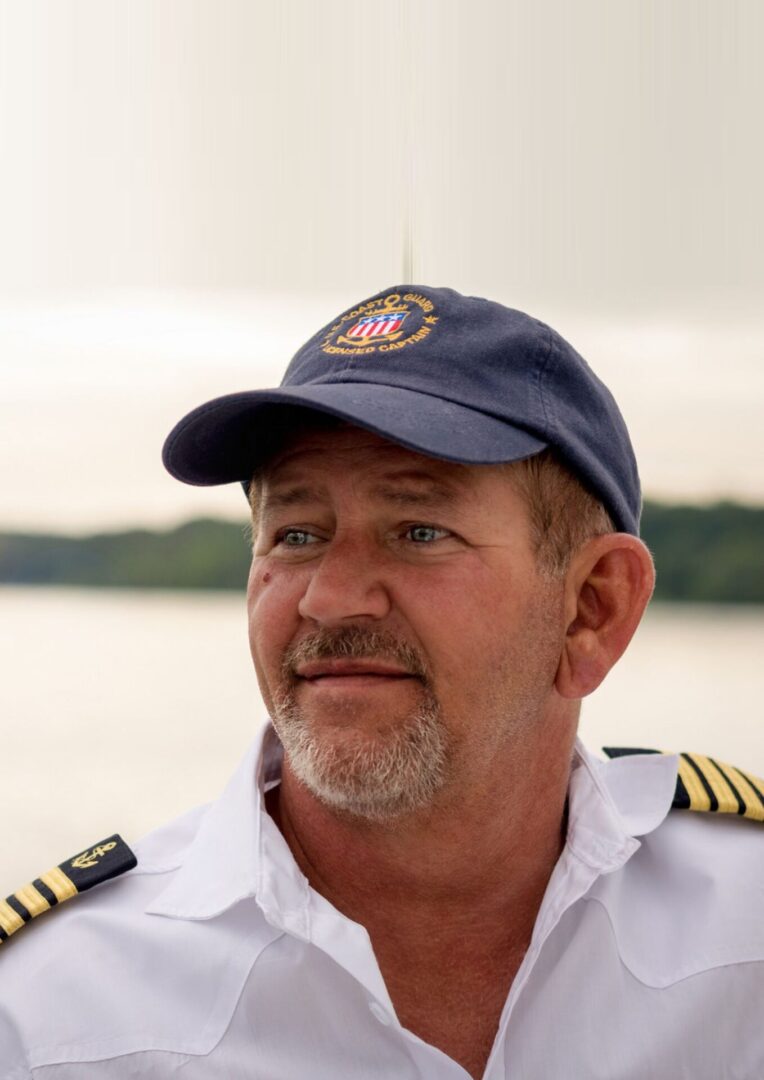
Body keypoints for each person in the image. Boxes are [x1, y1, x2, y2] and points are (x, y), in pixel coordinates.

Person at [1, 285, 763, 1079]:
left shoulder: (748, 934)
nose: (329, 599)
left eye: (419, 531)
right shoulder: (48, 1013)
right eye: (295, 534)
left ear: (591, 611)